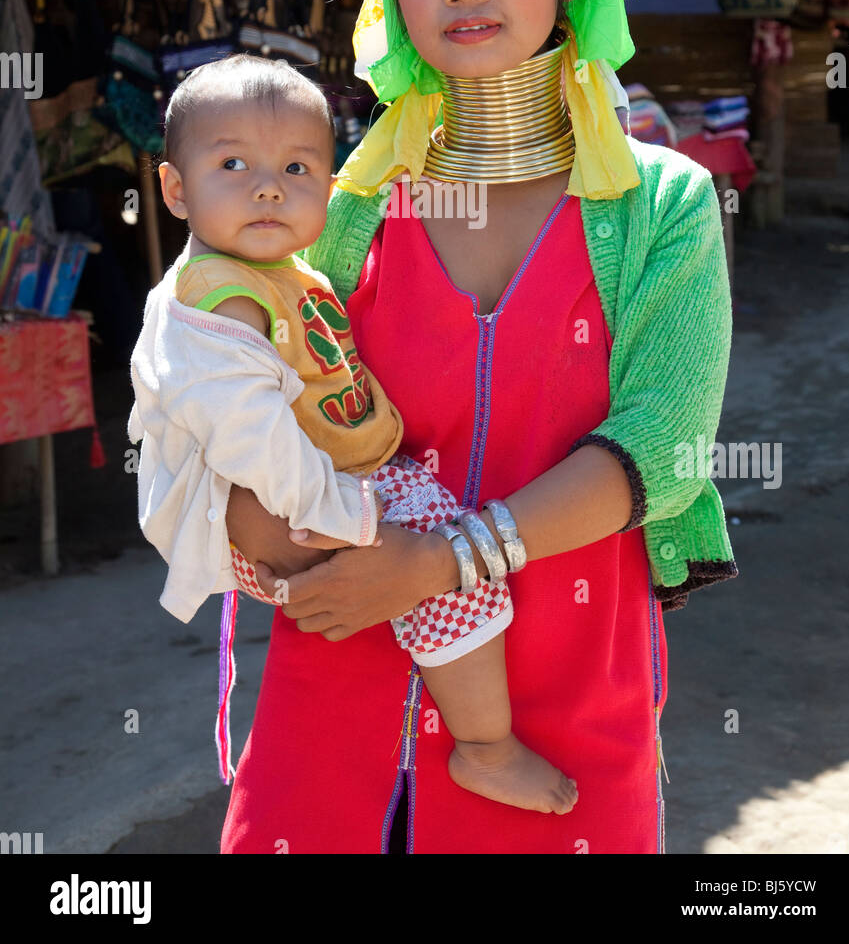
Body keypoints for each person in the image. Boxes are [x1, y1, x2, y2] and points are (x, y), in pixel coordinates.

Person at [219, 0, 737, 854]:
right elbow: (254, 416)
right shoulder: (341, 205)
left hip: (562, 710)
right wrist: (255, 526)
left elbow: (663, 444)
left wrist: (448, 558)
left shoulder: (663, 207)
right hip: (340, 690)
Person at [129, 52, 579, 812]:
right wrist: (357, 522)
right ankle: (486, 747)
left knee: (427, 562)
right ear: (175, 189)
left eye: (299, 167)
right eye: (232, 163)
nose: (269, 186)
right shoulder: (214, 304)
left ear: (331, 189)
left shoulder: (282, 269)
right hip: (296, 497)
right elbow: (253, 444)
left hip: (326, 481)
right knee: (448, 574)